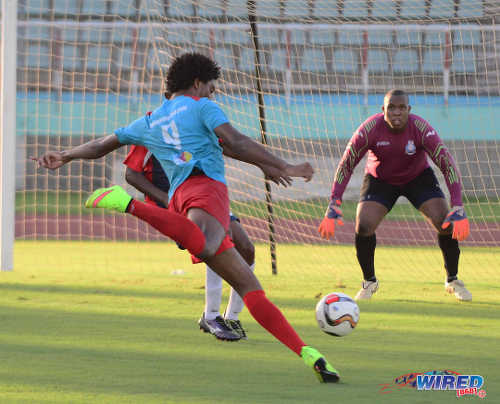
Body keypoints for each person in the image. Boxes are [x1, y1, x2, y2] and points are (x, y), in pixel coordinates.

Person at [34, 52, 339, 383]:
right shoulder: (201, 107)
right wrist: (285, 166)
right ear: (197, 83)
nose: (212, 93)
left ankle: (310, 354)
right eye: (210, 86)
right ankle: (128, 205)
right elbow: (234, 139)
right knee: (207, 245)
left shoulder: (151, 120)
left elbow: (101, 144)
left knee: (250, 286)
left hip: (181, 199)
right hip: (206, 190)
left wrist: (64, 155)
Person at [318, 89, 471, 302]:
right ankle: (369, 282)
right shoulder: (370, 129)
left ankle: (452, 280)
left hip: (418, 177)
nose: (396, 112)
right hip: (380, 180)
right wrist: (334, 201)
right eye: (391, 107)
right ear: (383, 110)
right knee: (363, 226)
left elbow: (446, 163)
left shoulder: (421, 129)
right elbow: (347, 163)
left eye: (401, 107)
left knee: (445, 222)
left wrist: (457, 205)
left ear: (409, 110)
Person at [123, 143, 255, 341]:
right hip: (171, 203)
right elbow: (131, 174)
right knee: (216, 242)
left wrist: (265, 164)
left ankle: (232, 317)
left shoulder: (194, 124)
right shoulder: (151, 128)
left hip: (201, 195)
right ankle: (211, 316)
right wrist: (167, 199)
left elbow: (227, 145)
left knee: (246, 248)